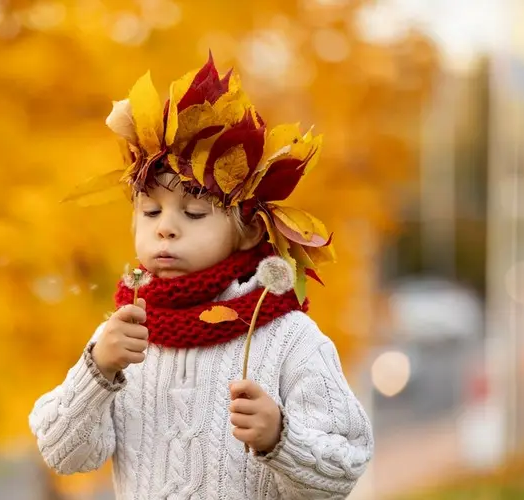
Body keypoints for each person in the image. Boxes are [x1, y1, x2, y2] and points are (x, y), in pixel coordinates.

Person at [29, 53, 373, 499]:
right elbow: (65, 455)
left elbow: (343, 472)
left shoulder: (288, 338)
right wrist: (97, 370)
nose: (166, 226)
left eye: (193, 213)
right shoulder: (124, 338)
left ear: (249, 231)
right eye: (150, 211)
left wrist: (280, 438)